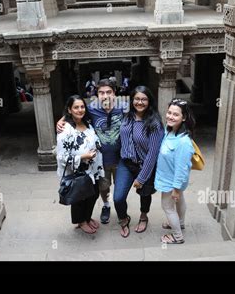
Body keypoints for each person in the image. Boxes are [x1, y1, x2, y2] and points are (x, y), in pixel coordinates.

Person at [57, 79, 127, 224]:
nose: (105, 96)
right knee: (103, 187)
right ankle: (106, 206)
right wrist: (62, 119)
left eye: (109, 92)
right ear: (97, 95)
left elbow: (141, 110)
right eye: (101, 93)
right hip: (102, 161)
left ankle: (122, 212)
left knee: (120, 193)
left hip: (121, 159)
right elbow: (76, 110)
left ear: (115, 93)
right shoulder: (92, 109)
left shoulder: (124, 108)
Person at [114, 86, 164, 238]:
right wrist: (64, 118)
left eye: (144, 99)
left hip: (145, 165)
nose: (140, 102)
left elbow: (152, 154)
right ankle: (124, 219)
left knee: (144, 193)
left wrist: (141, 178)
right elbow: (96, 110)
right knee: (118, 198)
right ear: (132, 100)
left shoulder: (154, 123)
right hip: (126, 163)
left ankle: (143, 216)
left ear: (149, 102)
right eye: (137, 99)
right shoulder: (126, 116)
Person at [56, 95, 104, 234]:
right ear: (69, 110)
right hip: (78, 171)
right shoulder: (66, 129)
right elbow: (62, 156)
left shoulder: (87, 122)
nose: (80, 110)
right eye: (76, 107)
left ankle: (87, 218)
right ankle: (81, 222)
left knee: (93, 194)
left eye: (82, 106)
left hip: (93, 169)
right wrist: (84, 156)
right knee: (80, 196)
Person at [155, 98, 195, 244]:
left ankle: (177, 236)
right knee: (179, 202)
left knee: (167, 207)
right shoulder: (170, 131)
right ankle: (181, 223)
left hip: (172, 181)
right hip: (169, 178)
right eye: (169, 112)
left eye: (175, 114)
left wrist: (176, 189)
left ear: (184, 117)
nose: (170, 117)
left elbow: (181, 168)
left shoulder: (184, 142)